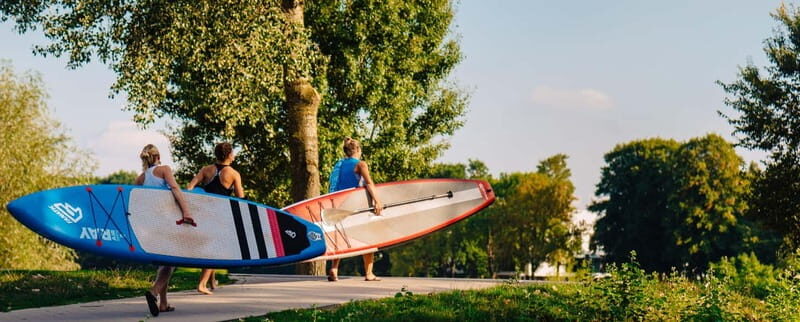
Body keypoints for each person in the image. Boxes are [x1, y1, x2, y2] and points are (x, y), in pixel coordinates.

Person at [136, 144, 194, 316]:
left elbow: (137, 201)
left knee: (164, 262)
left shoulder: (140, 179)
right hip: (165, 221)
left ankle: (164, 303)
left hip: (150, 225)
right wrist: (187, 211)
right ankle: (153, 293)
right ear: (157, 156)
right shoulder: (164, 170)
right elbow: (175, 189)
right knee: (170, 261)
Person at [187, 142, 245, 295]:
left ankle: (212, 282)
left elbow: (189, 187)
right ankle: (202, 284)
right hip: (221, 215)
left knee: (209, 246)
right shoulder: (233, 174)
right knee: (215, 250)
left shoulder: (206, 170)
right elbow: (241, 197)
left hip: (205, 214)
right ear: (229, 155)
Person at [327, 137, 383, 282]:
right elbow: (369, 183)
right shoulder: (361, 164)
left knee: (340, 236)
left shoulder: (338, 164)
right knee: (368, 237)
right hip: (352, 204)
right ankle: (369, 273)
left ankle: (334, 269)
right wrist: (377, 201)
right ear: (358, 150)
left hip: (335, 204)